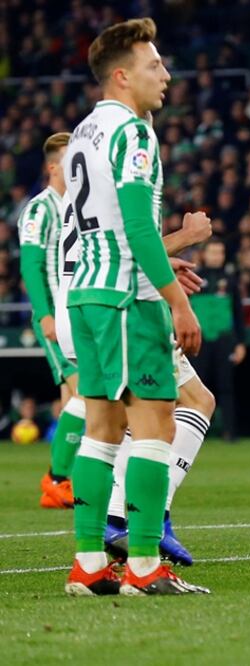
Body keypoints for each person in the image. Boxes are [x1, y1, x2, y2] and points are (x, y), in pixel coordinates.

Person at [62, 18, 208, 596]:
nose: (166, 75)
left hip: (85, 294)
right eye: (154, 66)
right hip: (127, 297)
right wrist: (177, 303)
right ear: (122, 77)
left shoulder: (82, 133)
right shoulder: (133, 133)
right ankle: (144, 566)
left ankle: (89, 564)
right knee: (153, 428)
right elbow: (139, 230)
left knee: (100, 431)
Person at [16, 132, 85, 509]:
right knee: (85, 392)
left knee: (71, 397)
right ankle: (57, 478)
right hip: (57, 316)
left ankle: (61, 483)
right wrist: (44, 313)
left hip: (80, 313)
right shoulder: (40, 209)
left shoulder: (78, 205)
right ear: (54, 166)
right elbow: (31, 263)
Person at [189, 237, 246, 441]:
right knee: (196, 387)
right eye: (213, 252)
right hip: (199, 340)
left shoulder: (230, 281)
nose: (216, 256)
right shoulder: (193, 277)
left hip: (224, 339)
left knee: (226, 387)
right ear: (205, 254)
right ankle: (194, 433)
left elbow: (238, 314)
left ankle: (230, 432)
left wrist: (240, 343)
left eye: (219, 252)